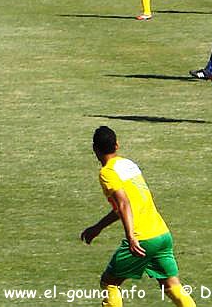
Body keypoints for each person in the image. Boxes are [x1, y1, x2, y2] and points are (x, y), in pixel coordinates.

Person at [81, 126, 197, 307]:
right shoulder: (127, 164)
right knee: (172, 286)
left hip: (142, 238)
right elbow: (127, 205)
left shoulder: (107, 173)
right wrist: (99, 227)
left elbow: (124, 204)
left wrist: (131, 236)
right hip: (162, 234)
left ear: (94, 149)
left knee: (109, 283)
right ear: (117, 145)